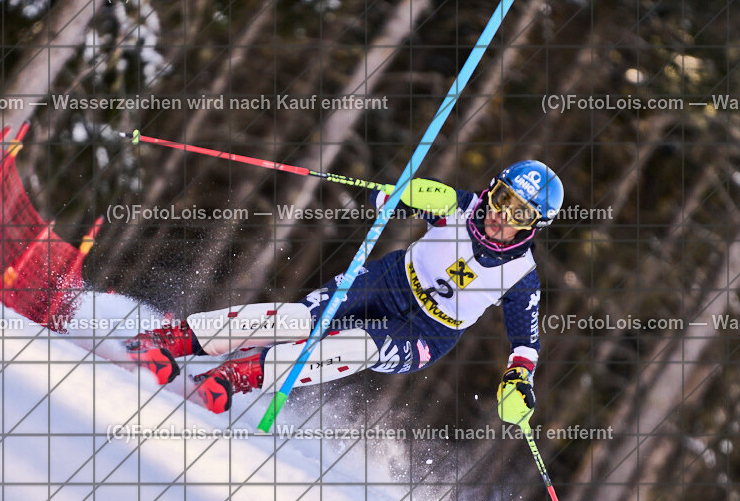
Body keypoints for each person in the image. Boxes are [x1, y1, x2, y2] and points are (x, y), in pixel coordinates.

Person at [125, 161, 563, 427]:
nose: (500, 216)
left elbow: (525, 341)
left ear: (532, 225)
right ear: (493, 189)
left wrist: (517, 380)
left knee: (351, 347)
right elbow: (383, 199)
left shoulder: (520, 275)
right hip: (389, 281)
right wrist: (396, 196)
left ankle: (233, 377)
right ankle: (172, 341)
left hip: (427, 333)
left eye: (518, 212)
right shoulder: (457, 204)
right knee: (299, 321)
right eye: (502, 198)